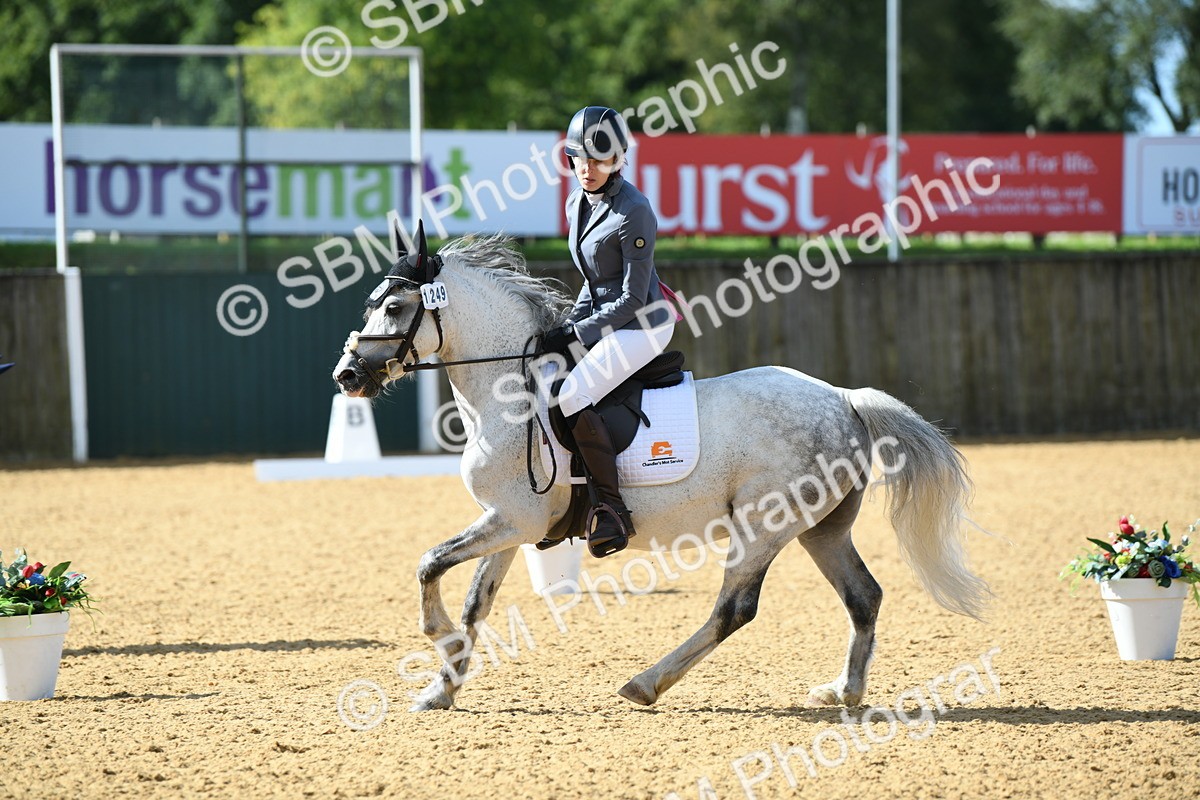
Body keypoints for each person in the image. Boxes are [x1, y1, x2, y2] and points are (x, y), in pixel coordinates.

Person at [540, 106, 676, 558]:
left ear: (618, 159)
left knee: (573, 394)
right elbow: (593, 280)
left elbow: (633, 299)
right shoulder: (576, 202)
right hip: (606, 319)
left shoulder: (635, 211)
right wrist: (567, 325)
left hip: (643, 327)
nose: (587, 168)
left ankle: (613, 511)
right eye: (579, 158)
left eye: (599, 160)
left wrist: (578, 333)